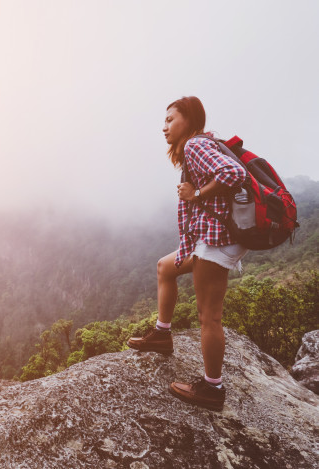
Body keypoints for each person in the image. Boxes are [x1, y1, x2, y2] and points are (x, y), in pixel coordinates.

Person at [127, 96, 248, 411]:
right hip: (209, 237)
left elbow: (235, 174)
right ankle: (162, 335)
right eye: (165, 121)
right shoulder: (198, 147)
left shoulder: (195, 146)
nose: (164, 126)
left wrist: (197, 193)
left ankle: (212, 389)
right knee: (165, 267)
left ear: (189, 119)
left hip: (218, 238)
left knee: (209, 316)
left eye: (170, 119)